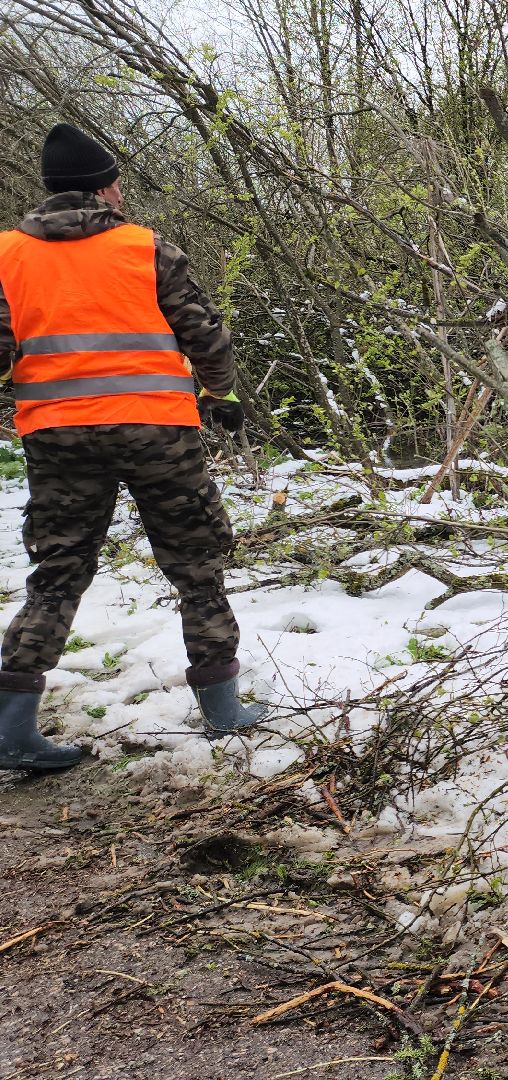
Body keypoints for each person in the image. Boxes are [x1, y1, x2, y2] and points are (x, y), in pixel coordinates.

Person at [0, 123, 261, 771]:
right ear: (105, 188)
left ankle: (10, 729)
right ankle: (223, 710)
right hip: (159, 433)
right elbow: (204, 335)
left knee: (58, 572)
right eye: (116, 181)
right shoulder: (146, 248)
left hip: (56, 438)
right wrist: (224, 396)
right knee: (195, 562)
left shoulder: (7, 254)